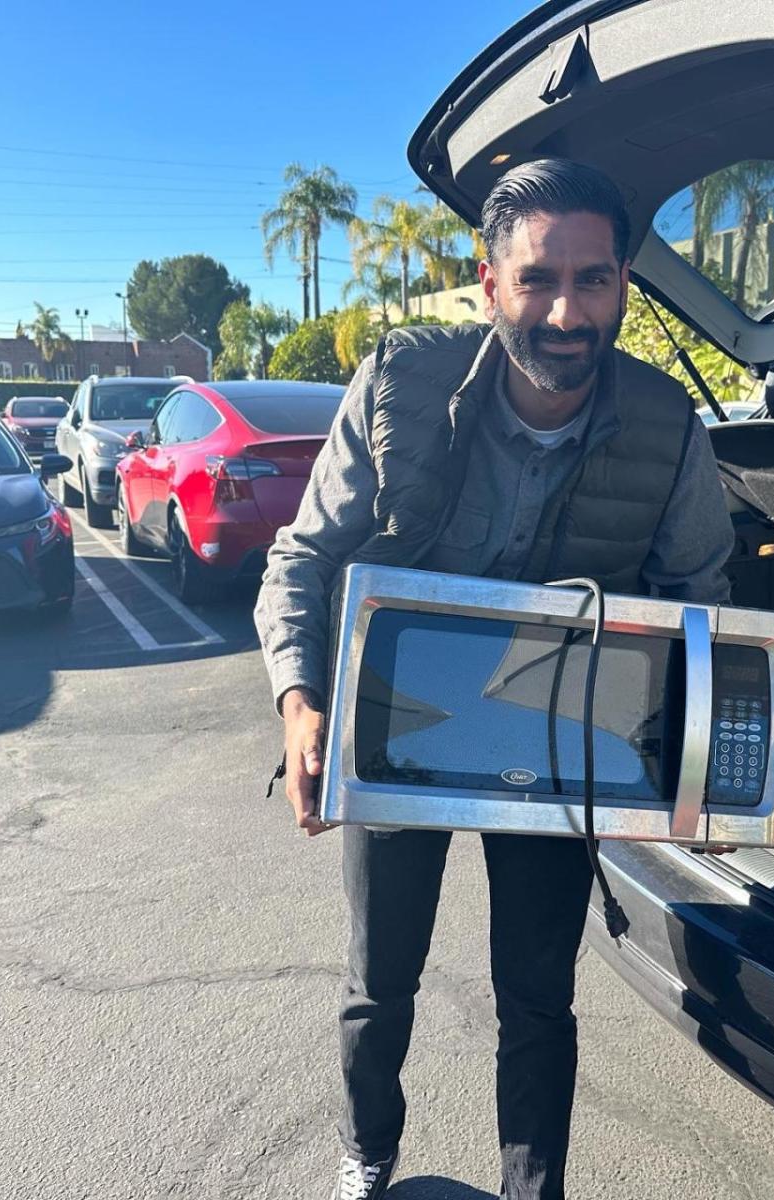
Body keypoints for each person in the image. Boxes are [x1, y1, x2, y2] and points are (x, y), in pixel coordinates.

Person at [254, 157, 735, 1200]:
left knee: (537, 997)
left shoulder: (667, 423)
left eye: (595, 280)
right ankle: (367, 1154)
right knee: (379, 983)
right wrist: (303, 705)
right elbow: (300, 559)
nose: (568, 310)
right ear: (489, 281)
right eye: (539, 279)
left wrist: (705, 759)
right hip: (398, 730)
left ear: (621, 283)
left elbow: (699, 598)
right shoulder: (399, 384)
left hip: (558, 749)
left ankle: (533, 1188)